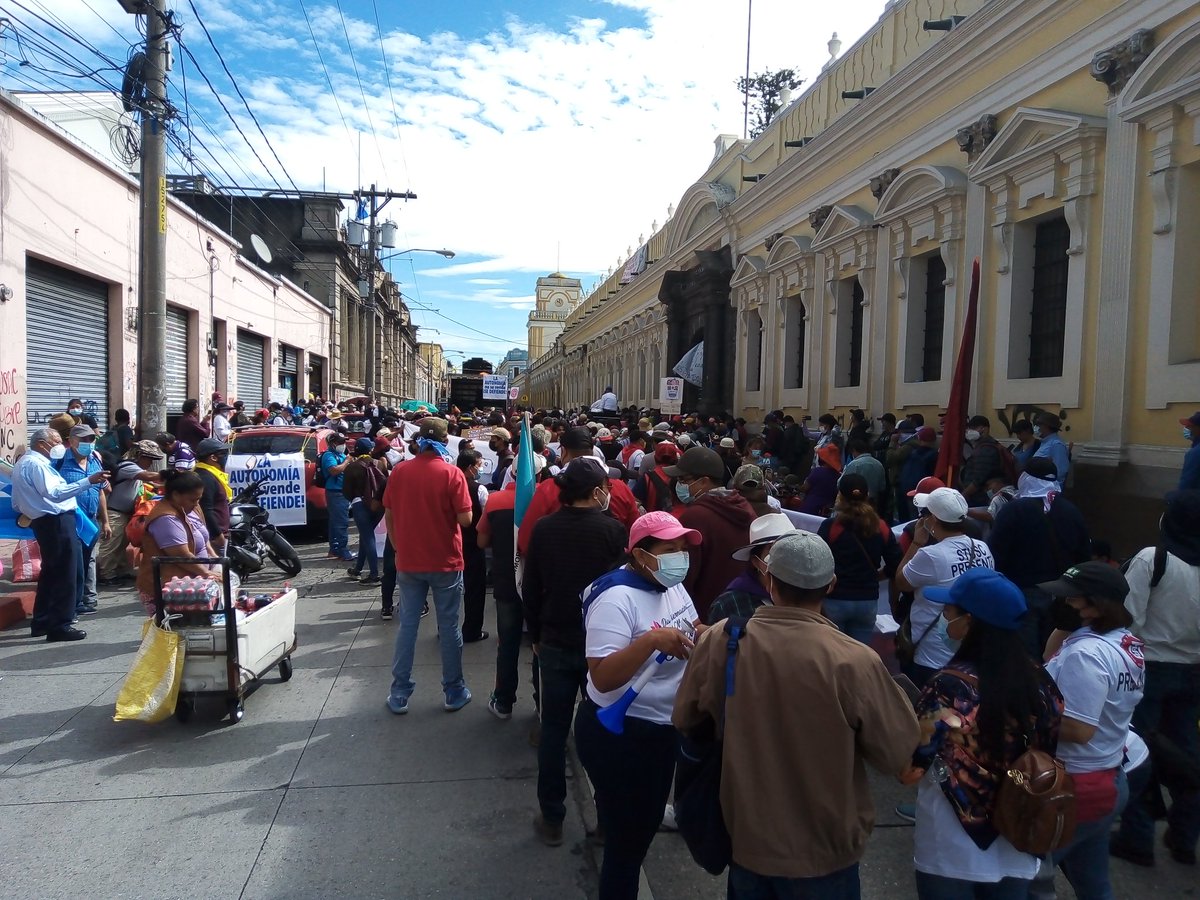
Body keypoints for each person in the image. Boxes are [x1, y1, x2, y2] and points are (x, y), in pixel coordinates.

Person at [676, 531, 920, 899]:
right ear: (831, 584)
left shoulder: (722, 640)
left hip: (747, 843)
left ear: (769, 580)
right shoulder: (853, 660)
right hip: (826, 854)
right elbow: (898, 753)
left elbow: (686, 718)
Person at [904, 568, 1064, 899]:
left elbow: (910, 770)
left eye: (950, 610)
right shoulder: (1043, 683)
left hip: (952, 839)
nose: (945, 617)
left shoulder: (947, 687)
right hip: (1019, 828)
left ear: (970, 621)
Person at [574, 511, 703, 898]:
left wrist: (707, 635)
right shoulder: (615, 598)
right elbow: (602, 675)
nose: (681, 557)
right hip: (624, 735)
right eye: (670, 549)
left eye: (683, 548)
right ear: (640, 555)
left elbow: (691, 626)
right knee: (627, 849)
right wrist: (648, 642)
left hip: (662, 728)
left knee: (633, 827)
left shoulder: (670, 586)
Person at [523, 459, 627, 847]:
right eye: (606, 487)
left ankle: (552, 817)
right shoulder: (612, 530)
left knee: (554, 731)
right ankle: (606, 818)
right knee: (603, 729)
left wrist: (535, 633)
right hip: (601, 646)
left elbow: (531, 588)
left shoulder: (545, 529)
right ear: (596, 491)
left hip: (554, 641)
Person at [1030, 562, 1143, 900]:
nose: (1064, 604)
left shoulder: (1087, 655)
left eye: (1072, 599)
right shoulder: (1120, 642)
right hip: (1105, 778)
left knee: (1030, 881)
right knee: (1092, 881)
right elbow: (1050, 666)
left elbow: (1078, 729)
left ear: (1097, 604)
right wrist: (1065, 628)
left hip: (1073, 787)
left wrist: (1020, 718)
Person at [1111, 489, 1200, 867]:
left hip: (1149, 668)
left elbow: (1127, 617)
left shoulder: (1154, 559)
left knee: (1137, 753)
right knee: (1188, 755)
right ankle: (1184, 836)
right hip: (1194, 670)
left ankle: (1137, 837)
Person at [383, 417, 474, 715]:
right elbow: (465, 520)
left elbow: (389, 514)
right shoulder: (452, 474)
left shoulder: (400, 471)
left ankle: (399, 693)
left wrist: (398, 547)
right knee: (448, 627)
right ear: (444, 441)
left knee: (408, 625)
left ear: (420, 440)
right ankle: (454, 690)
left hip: (409, 560)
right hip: (445, 560)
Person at [11, 428, 110, 641]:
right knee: (66, 573)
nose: (59, 445)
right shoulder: (36, 465)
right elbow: (55, 493)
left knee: (52, 572)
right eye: (54, 441)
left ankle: (43, 621)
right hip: (55, 521)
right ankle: (60, 625)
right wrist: (88, 481)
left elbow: (17, 501)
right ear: (41, 444)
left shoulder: (28, 463)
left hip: (49, 521)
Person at [988, 457, 1090, 659]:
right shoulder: (1071, 511)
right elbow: (1083, 554)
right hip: (1062, 594)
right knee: (1054, 651)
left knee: (1025, 654)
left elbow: (995, 555)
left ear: (1025, 478)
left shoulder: (1013, 511)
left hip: (1022, 592)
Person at [894, 487, 994, 687]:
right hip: (968, 648)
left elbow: (901, 582)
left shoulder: (931, 555)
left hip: (930, 652)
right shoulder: (982, 547)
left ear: (933, 520)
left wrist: (917, 542)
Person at [665, 446, 756, 623]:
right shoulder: (745, 507)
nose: (679, 485)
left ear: (704, 482)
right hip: (737, 607)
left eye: (683, 479)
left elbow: (685, 574)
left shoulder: (696, 516)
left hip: (702, 612)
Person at [517, 427, 639, 556]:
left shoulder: (549, 488)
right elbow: (635, 535)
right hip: (610, 569)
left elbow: (525, 543)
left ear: (563, 452)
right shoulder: (620, 487)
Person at [818, 473, 901, 644]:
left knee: (832, 654)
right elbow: (895, 564)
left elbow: (817, 561)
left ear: (840, 496)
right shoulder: (881, 527)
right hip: (867, 601)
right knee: (859, 657)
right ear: (867, 496)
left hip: (835, 599)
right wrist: (877, 576)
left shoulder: (831, 527)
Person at [135, 470, 223, 617]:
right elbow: (181, 555)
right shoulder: (165, 518)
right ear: (175, 495)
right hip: (171, 590)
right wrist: (207, 573)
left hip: (195, 585)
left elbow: (204, 538)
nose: (196, 503)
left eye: (198, 499)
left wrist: (215, 561)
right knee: (175, 635)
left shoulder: (191, 507)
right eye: (193, 500)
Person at [53, 423, 111, 616]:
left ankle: (86, 598)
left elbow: (100, 492)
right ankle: (73, 603)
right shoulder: (59, 462)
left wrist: (106, 521)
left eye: (91, 439)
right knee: (73, 564)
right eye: (84, 439)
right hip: (70, 520)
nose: (88, 443)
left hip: (91, 520)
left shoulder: (95, 459)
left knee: (88, 560)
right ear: (71, 441)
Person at [706, 512, 797, 624]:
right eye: (773, 550)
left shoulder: (804, 596)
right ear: (756, 562)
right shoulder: (729, 604)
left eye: (790, 550)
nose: (783, 557)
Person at [98, 439, 164, 584]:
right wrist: (170, 475)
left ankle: (119, 571)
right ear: (139, 455)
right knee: (111, 544)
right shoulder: (128, 466)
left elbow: (148, 481)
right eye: (149, 459)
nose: (151, 463)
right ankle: (106, 575)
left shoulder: (135, 470)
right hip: (114, 512)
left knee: (121, 545)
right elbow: (148, 476)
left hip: (125, 513)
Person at [456, 448, 490, 643]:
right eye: (479, 465)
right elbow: (486, 519)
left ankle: (446, 628)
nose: (481, 469)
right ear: (470, 468)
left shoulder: (447, 485)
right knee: (475, 590)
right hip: (473, 545)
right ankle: (472, 630)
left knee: (447, 591)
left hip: (451, 543)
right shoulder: (479, 489)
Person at [343, 437, 384, 585]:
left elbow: (346, 492)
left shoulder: (351, 467)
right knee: (366, 536)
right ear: (370, 450)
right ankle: (358, 569)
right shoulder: (380, 463)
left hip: (360, 504)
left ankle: (374, 574)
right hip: (379, 505)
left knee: (368, 537)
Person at [957, 415, 1007, 507]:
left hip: (980, 497)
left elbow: (979, 479)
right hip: (977, 495)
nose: (969, 431)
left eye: (973, 428)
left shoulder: (986, 450)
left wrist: (964, 495)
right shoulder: (983, 446)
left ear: (984, 429)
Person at [193, 438, 231, 556]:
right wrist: (217, 535)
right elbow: (206, 510)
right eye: (223, 453)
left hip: (217, 534)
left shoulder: (211, 474)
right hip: (213, 538)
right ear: (213, 458)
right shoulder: (206, 478)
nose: (226, 456)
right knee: (219, 572)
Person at [319, 432, 353, 561]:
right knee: (341, 523)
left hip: (341, 492)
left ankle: (334, 549)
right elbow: (333, 470)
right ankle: (342, 550)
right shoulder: (329, 455)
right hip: (336, 492)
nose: (343, 445)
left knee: (335, 523)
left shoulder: (340, 454)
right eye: (340, 443)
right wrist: (347, 462)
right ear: (333, 444)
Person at [632, 440, 678, 513]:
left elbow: (635, 501)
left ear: (655, 458)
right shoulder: (682, 477)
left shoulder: (647, 477)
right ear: (676, 458)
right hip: (677, 521)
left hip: (653, 521)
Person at [797, 444, 842, 516]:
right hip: (827, 510)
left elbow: (805, 488)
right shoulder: (839, 476)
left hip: (810, 507)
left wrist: (799, 488)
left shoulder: (817, 471)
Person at [841, 437, 887, 510]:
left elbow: (842, 483)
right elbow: (882, 487)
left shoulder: (853, 464)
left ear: (854, 451)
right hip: (874, 502)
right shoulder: (879, 464)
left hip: (856, 502)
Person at [1033, 412, 1071, 485]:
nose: (1036, 427)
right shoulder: (1045, 443)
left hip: (1047, 489)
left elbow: (1060, 472)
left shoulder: (1056, 445)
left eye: (1038, 425)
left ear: (1046, 426)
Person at [1178, 411, 1200, 490]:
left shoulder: (1195, 453)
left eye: (1191, 426)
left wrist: (1176, 498)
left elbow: (1186, 481)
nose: (1187, 428)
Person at [487, 427, 514, 491]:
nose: (491, 441)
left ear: (501, 440)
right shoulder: (502, 456)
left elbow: (503, 484)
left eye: (493, 438)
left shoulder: (508, 460)